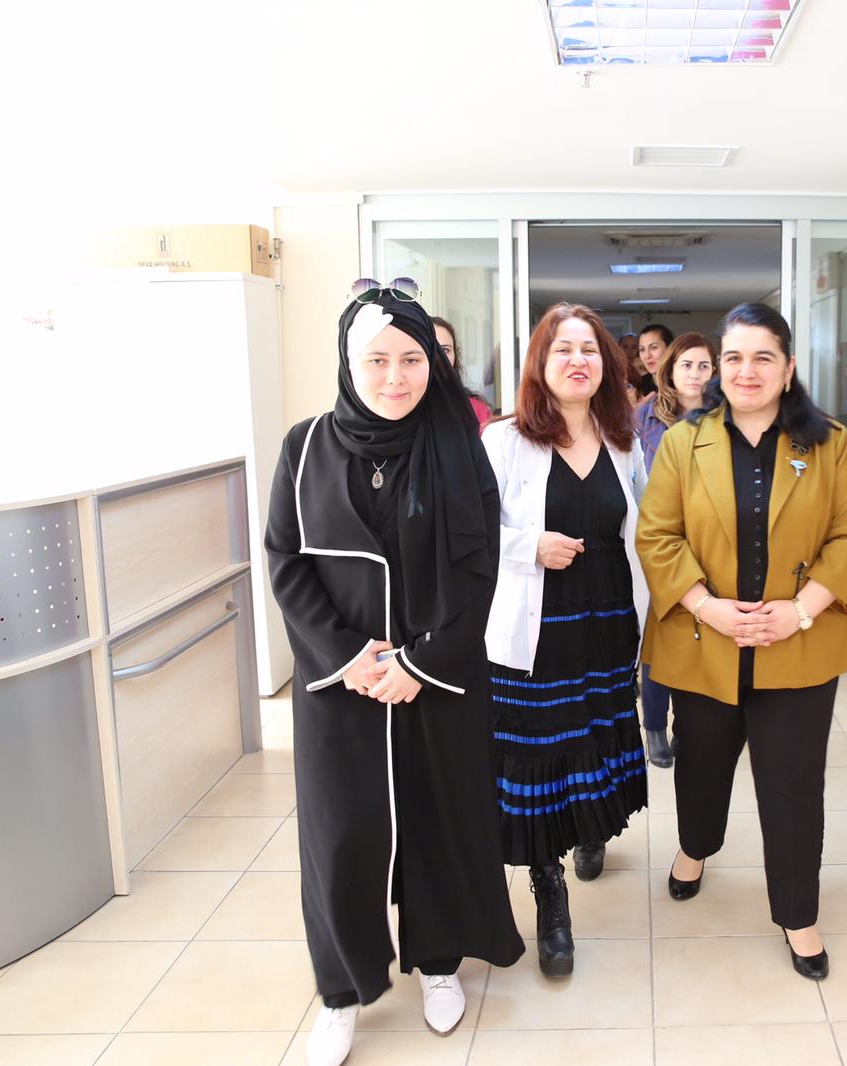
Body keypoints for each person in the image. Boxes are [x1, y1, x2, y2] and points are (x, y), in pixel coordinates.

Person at [264, 283, 523, 1065]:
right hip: (342, 686)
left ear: (433, 365)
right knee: (341, 837)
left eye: (412, 359)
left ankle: (439, 961)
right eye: (376, 360)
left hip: (434, 679)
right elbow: (285, 560)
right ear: (349, 363)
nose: (395, 376)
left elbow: (480, 570)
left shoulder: (458, 447)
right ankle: (342, 990)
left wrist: (423, 661)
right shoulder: (304, 447)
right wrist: (345, 656)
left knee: (438, 823)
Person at [637, 302, 847, 980]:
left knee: (793, 786)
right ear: (719, 367)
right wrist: (706, 606)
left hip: (796, 641)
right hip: (704, 636)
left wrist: (800, 610)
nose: (747, 371)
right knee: (702, 764)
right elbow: (657, 534)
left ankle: (799, 914)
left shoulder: (828, 442)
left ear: (789, 368)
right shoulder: (685, 441)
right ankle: (694, 847)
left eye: (763, 357)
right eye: (734, 357)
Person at [481, 302, 650, 976]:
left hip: (607, 622)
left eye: (590, 349)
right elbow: (466, 533)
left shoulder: (624, 440)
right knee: (541, 755)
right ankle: (549, 892)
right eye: (563, 349)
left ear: (606, 364)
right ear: (540, 363)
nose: (578, 360)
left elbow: (645, 528)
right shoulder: (503, 441)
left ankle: (589, 828)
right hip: (536, 633)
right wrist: (529, 546)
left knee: (594, 739)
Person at [631, 331, 715, 767]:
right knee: (660, 635)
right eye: (686, 365)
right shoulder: (643, 417)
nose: (695, 374)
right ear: (670, 369)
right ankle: (653, 725)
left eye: (704, 366)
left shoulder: (726, 416)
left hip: (711, 540)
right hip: (660, 538)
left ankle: (690, 723)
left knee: (700, 635)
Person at [430, 315, 494, 429]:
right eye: (431, 349)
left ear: (455, 355)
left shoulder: (476, 410)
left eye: (445, 350)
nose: (439, 358)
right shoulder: (400, 406)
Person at [633, 323, 671, 400]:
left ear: (669, 348)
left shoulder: (683, 383)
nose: (647, 355)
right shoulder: (638, 386)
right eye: (642, 349)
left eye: (653, 347)